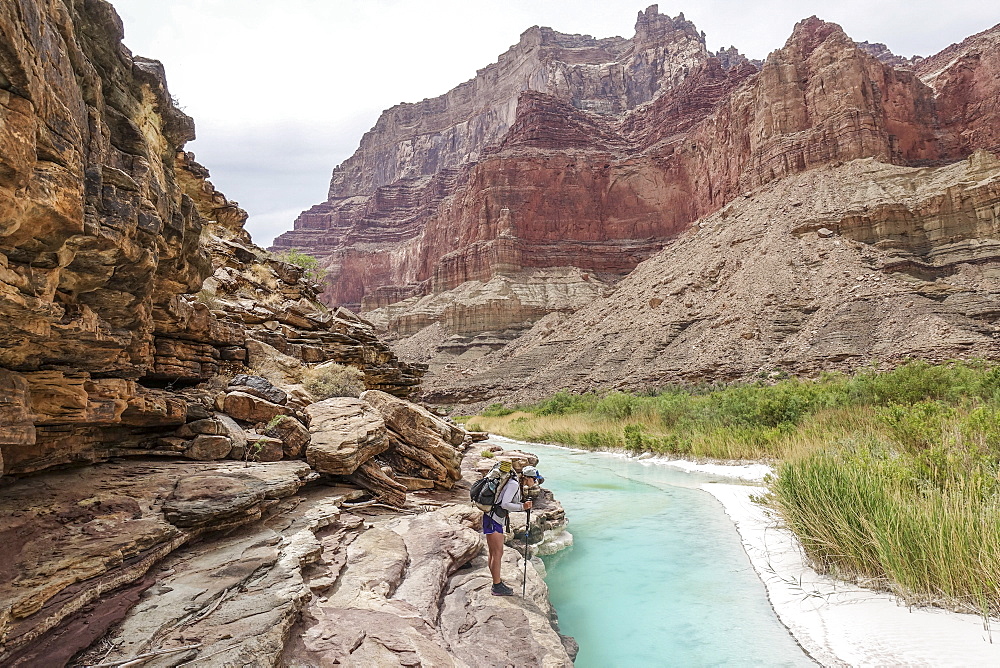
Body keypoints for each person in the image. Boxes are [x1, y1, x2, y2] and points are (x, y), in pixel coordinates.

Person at [483, 461, 542, 596]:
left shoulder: (515, 483)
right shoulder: (514, 484)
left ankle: (496, 582)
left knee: (494, 553)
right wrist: (523, 507)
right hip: (494, 519)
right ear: (528, 477)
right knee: (497, 553)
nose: (536, 482)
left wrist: (521, 504)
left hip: (492, 518)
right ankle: (497, 586)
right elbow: (505, 504)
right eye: (534, 479)